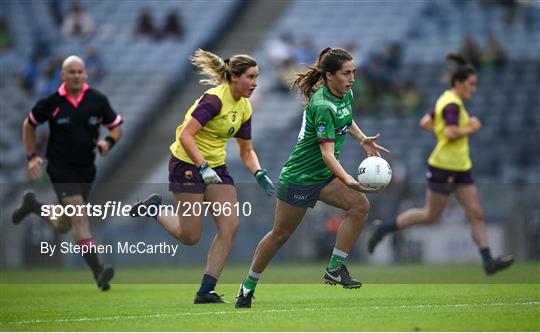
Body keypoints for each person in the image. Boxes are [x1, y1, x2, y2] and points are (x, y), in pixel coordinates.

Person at [235, 48, 390, 309]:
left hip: (325, 177)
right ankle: (247, 286)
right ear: (329, 76)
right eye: (346, 73)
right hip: (300, 177)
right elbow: (327, 154)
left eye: (353, 72)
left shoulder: (345, 94)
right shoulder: (321, 105)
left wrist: (362, 138)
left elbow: (347, 119)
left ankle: (335, 268)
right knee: (280, 235)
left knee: (360, 206)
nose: (352, 78)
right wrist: (348, 179)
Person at [130, 49, 274, 304]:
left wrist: (259, 172)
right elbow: (186, 135)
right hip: (186, 163)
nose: (255, 83)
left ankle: (206, 290)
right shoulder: (214, 100)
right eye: (250, 77)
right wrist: (202, 166)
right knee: (190, 237)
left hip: (216, 167)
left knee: (230, 226)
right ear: (234, 78)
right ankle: (154, 210)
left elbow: (246, 150)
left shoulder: (244, 108)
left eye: (257, 77)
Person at [367, 53, 514, 275]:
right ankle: (385, 228)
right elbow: (451, 131)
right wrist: (470, 128)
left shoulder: (446, 99)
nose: (473, 89)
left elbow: (426, 122)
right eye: (471, 84)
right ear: (459, 83)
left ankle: (488, 261)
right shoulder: (452, 105)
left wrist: (442, 132)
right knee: (430, 215)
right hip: (444, 167)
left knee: (475, 213)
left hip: (461, 166)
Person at [12, 55, 123, 291]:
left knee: (64, 224)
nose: (76, 75)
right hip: (61, 168)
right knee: (80, 218)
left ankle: (34, 205)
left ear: (85, 74)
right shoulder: (51, 103)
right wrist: (32, 156)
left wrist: (107, 144)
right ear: (62, 76)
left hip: (86, 170)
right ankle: (99, 272)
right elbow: (29, 125)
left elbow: (115, 129)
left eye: (80, 71)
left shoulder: (97, 100)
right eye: (71, 72)